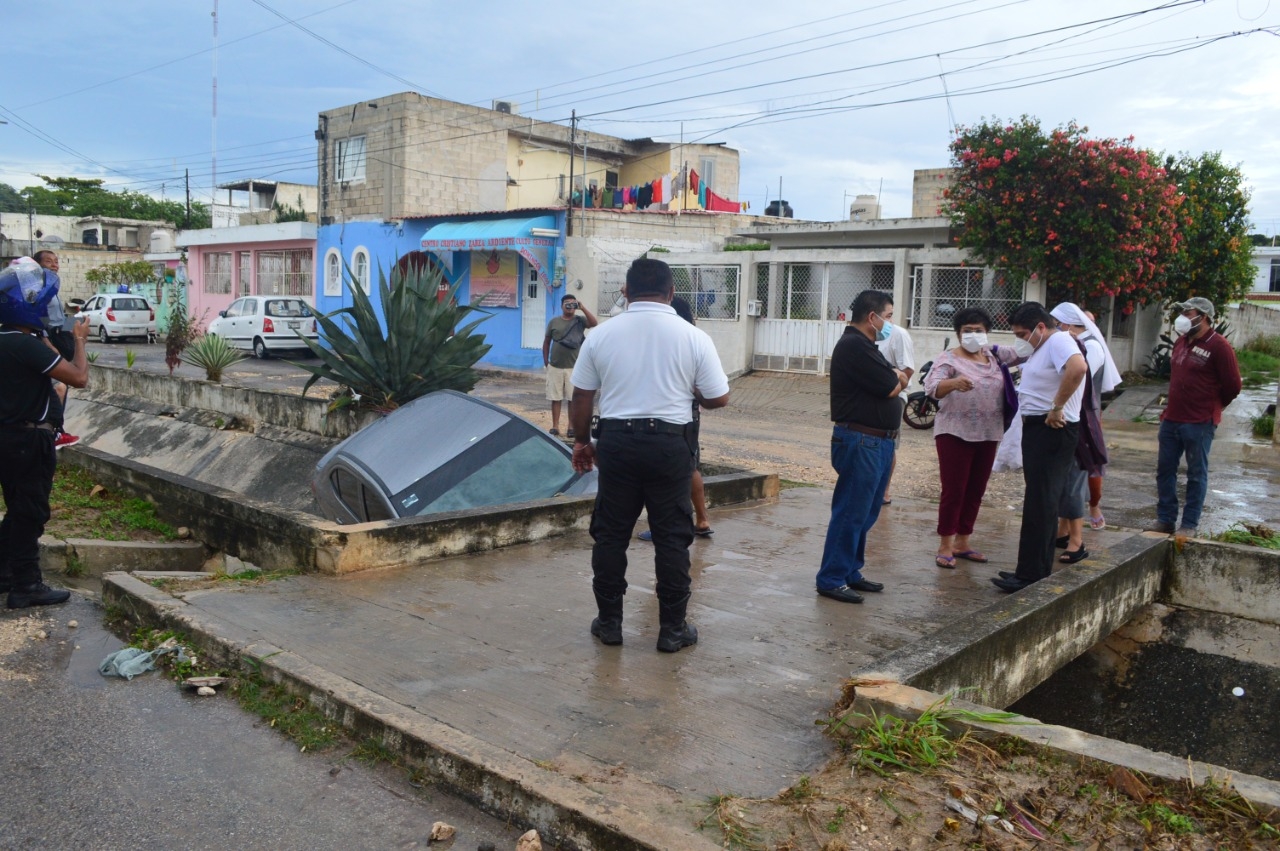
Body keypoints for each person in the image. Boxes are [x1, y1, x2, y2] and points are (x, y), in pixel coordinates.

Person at [569, 259, 730, 652]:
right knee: (673, 537)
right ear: (671, 292)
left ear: (626, 290)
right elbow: (718, 397)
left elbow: (582, 396)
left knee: (610, 534)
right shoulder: (692, 336)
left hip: (617, 445)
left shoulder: (602, 335)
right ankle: (672, 631)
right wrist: (686, 390)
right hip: (670, 447)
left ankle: (609, 624)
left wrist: (582, 441)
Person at [0, 263, 91, 609]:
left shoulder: (10, 340)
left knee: (16, 508)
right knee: (31, 511)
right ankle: (26, 585)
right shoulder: (26, 346)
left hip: (6, 437)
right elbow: (77, 377)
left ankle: (5, 574)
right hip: (28, 440)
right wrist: (80, 341)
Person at [815, 289, 910, 604]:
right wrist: (898, 379)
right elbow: (891, 386)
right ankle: (831, 578)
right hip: (861, 440)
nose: (890, 323)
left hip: (877, 441)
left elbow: (891, 380)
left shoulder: (868, 346)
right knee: (851, 512)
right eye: (889, 316)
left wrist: (895, 377)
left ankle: (850, 571)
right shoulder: (855, 346)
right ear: (873, 317)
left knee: (866, 512)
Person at [991, 302, 1087, 593]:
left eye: (1023, 333)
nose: (1020, 338)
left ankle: (1031, 574)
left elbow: (1078, 367)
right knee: (1039, 501)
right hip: (1040, 428)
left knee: (1041, 501)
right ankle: (1031, 568)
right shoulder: (1041, 347)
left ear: (1041, 327)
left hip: (1052, 428)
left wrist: (1057, 406)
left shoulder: (1058, 340)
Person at [923, 307, 1019, 568]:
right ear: (958, 334)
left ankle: (963, 541)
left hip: (989, 433)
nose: (973, 335)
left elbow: (1028, 350)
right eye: (967, 331)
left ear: (987, 333)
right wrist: (954, 383)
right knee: (954, 490)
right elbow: (931, 387)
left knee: (976, 489)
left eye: (978, 330)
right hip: (954, 433)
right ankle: (945, 544)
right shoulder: (948, 359)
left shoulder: (996, 356)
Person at [1146, 297, 1241, 537]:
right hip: (1172, 419)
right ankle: (1165, 519)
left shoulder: (1219, 346)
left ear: (1204, 317)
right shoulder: (1181, 342)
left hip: (1199, 422)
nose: (1183, 318)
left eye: (1189, 313)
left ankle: (1189, 525)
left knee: (1196, 474)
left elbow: (1233, 385)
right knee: (1165, 470)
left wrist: (1213, 407)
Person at [1049, 303, 1122, 563]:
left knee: (1076, 477)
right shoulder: (1079, 342)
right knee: (1067, 476)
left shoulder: (1089, 347)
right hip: (1071, 416)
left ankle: (1077, 541)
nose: (1056, 330)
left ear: (1068, 325)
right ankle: (1064, 530)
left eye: (1058, 325)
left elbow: (1075, 376)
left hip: (1079, 420)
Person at [638, 295, 713, 540]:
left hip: (670, 417)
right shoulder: (694, 338)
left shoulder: (670, 341)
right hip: (690, 416)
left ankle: (664, 525)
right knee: (690, 466)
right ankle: (701, 520)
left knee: (660, 471)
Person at [33, 251, 80, 449]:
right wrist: (48, 344)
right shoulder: (39, 288)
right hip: (50, 339)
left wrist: (76, 324)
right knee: (59, 385)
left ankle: (57, 428)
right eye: (48, 262)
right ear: (38, 266)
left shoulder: (54, 287)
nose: (54, 265)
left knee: (64, 384)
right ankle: (54, 430)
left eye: (56, 262)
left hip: (61, 337)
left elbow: (59, 319)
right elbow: (41, 320)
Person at [874, 299, 915, 505]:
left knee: (888, 444)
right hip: (868, 398)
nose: (890, 320)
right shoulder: (862, 336)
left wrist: (891, 390)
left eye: (890, 315)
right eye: (888, 315)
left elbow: (907, 369)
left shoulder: (897, 334)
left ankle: (884, 491)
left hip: (893, 398)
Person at [542, 293, 598, 438]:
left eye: (572, 304)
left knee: (572, 399)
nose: (570, 306)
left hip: (574, 367)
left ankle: (571, 427)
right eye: (567, 303)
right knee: (556, 398)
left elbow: (594, 323)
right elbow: (547, 341)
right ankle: (555, 426)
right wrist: (546, 361)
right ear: (561, 306)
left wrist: (582, 307)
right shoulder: (554, 322)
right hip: (555, 366)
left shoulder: (580, 321)